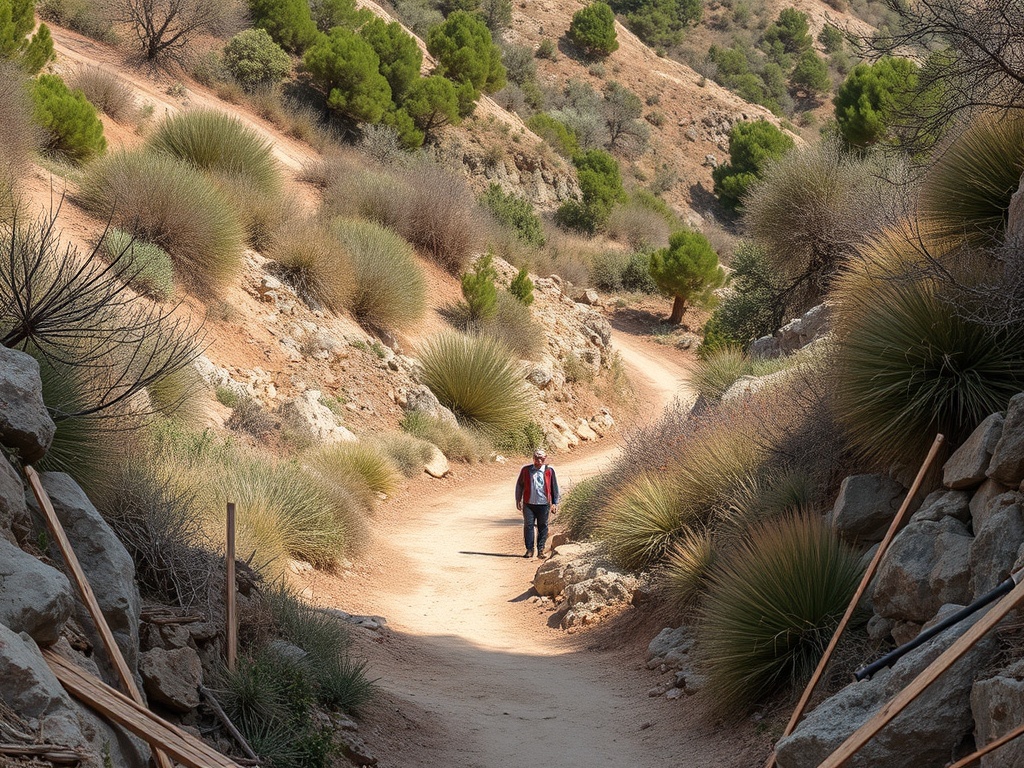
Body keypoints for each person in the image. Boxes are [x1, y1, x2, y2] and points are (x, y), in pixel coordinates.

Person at [514, 448, 560, 560]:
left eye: (541, 459)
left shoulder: (549, 471)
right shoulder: (526, 470)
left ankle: (541, 550)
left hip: (544, 504)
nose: (539, 461)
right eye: (536, 458)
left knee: (542, 526)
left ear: (545, 459)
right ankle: (529, 549)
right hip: (528, 503)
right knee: (528, 525)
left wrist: (554, 503)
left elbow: (554, 487)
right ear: (533, 458)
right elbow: (520, 485)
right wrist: (518, 499)